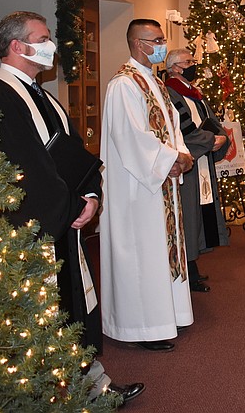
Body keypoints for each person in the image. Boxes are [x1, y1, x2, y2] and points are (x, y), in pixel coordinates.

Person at [0, 11, 143, 404]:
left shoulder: (43, 94)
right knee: (42, 313)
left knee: (72, 309)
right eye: (43, 37)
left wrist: (91, 195)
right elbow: (26, 169)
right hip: (34, 227)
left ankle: (92, 387)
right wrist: (71, 205)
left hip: (64, 216)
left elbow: (71, 152)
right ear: (18, 46)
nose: (50, 45)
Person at [99, 19, 195, 352]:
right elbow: (131, 138)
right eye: (158, 40)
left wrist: (180, 154)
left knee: (161, 249)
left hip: (160, 180)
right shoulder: (124, 85)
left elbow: (172, 128)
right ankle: (141, 327)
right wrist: (171, 160)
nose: (162, 45)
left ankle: (167, 316)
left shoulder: (153, 81)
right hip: (137, 188)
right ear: (140, 44)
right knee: (142, 253)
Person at [164, 48, 231, 293]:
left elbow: (212, 121)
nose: (193, 65)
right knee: (188, 217)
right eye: (188, 62)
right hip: (188, 163)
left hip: (201, 162)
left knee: (198, 215)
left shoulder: (195, 94)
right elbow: (182, 129)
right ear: (174, 68)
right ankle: (187, 269)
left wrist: (221, 137)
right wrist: (208, 140)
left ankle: (193, 265)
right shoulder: (170, 91)